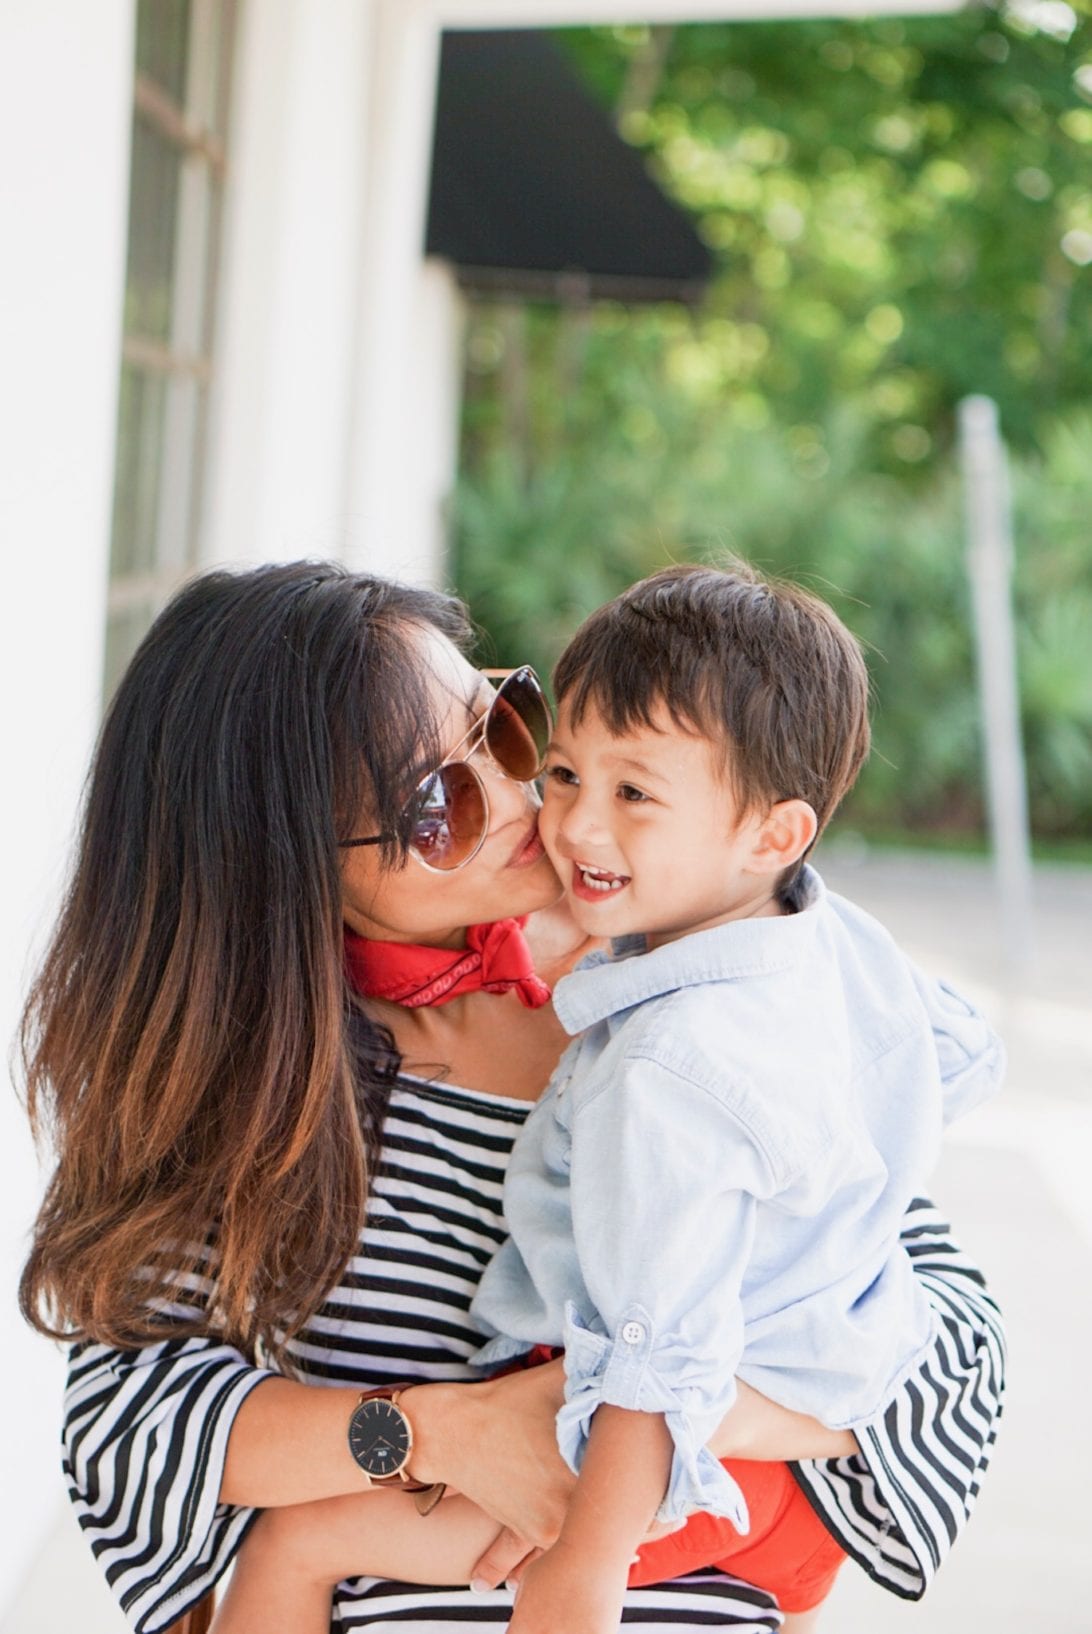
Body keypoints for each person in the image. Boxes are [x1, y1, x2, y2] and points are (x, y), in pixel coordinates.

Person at [20, 562, 1006, 1634]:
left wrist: (672, 1407)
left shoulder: (698, 966)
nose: (520, 799)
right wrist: (430, 1432)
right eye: (436, 805)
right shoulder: (255, 1080)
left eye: (503, 725)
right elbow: (133, 1422)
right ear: (282, 862)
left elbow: (935, 1323)